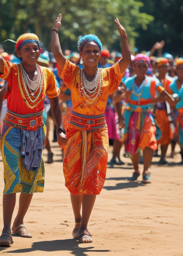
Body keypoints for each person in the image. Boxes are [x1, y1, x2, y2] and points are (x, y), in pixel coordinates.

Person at [0, 10, 66, 246]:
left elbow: (56, 102)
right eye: (27, 49)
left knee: (29, 180)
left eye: (36, 48)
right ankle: (6, 229)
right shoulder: (12, 70)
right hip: (13, 131)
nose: (33, 51)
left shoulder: (48, 74)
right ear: (18, 52)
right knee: (12, 179)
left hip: (36, 132)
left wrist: (60, 128)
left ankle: (20, 222)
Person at [51, 14, 131, 243]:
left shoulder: (108, 75)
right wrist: (55, 31)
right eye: (88, 50)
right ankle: (77, 221)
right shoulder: (72, 73)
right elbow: (57, 54)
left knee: (93, 177)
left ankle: (85, 226)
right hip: (75, 130)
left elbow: (126, 60)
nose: (92, 55)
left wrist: (123, 36)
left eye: (96, 51)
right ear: (81, 54)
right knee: (75, 175)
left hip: (98, 131)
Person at [113, 54, 175, 183]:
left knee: (149, 140)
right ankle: (136, 170)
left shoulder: (153, 81)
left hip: (147, 115)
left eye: (144, 66)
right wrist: (120, 114)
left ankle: (146, 171)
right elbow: (115, 99)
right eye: (139, 66)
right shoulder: (127, 82)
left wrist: (168, 99)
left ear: (148, 67)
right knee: (132, 143)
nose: (141, 68)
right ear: (134, 67)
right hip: (130, 115)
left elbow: (165, 95)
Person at [154, 58, 174, 164]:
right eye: (163, 66)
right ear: (158, 67)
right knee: (154, 133)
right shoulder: (153, 80)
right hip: (154, 111)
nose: (165, 68)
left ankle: (163, 157)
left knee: (166, 133)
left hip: (168, 112)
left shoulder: (171, 81)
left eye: (167, 66)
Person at [168, 58, 183, 164]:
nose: (181, 70)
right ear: (175, 69)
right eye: (179, 68)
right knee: (178, 135)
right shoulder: (172, 85)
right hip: (176, 113)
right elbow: (169, 101)